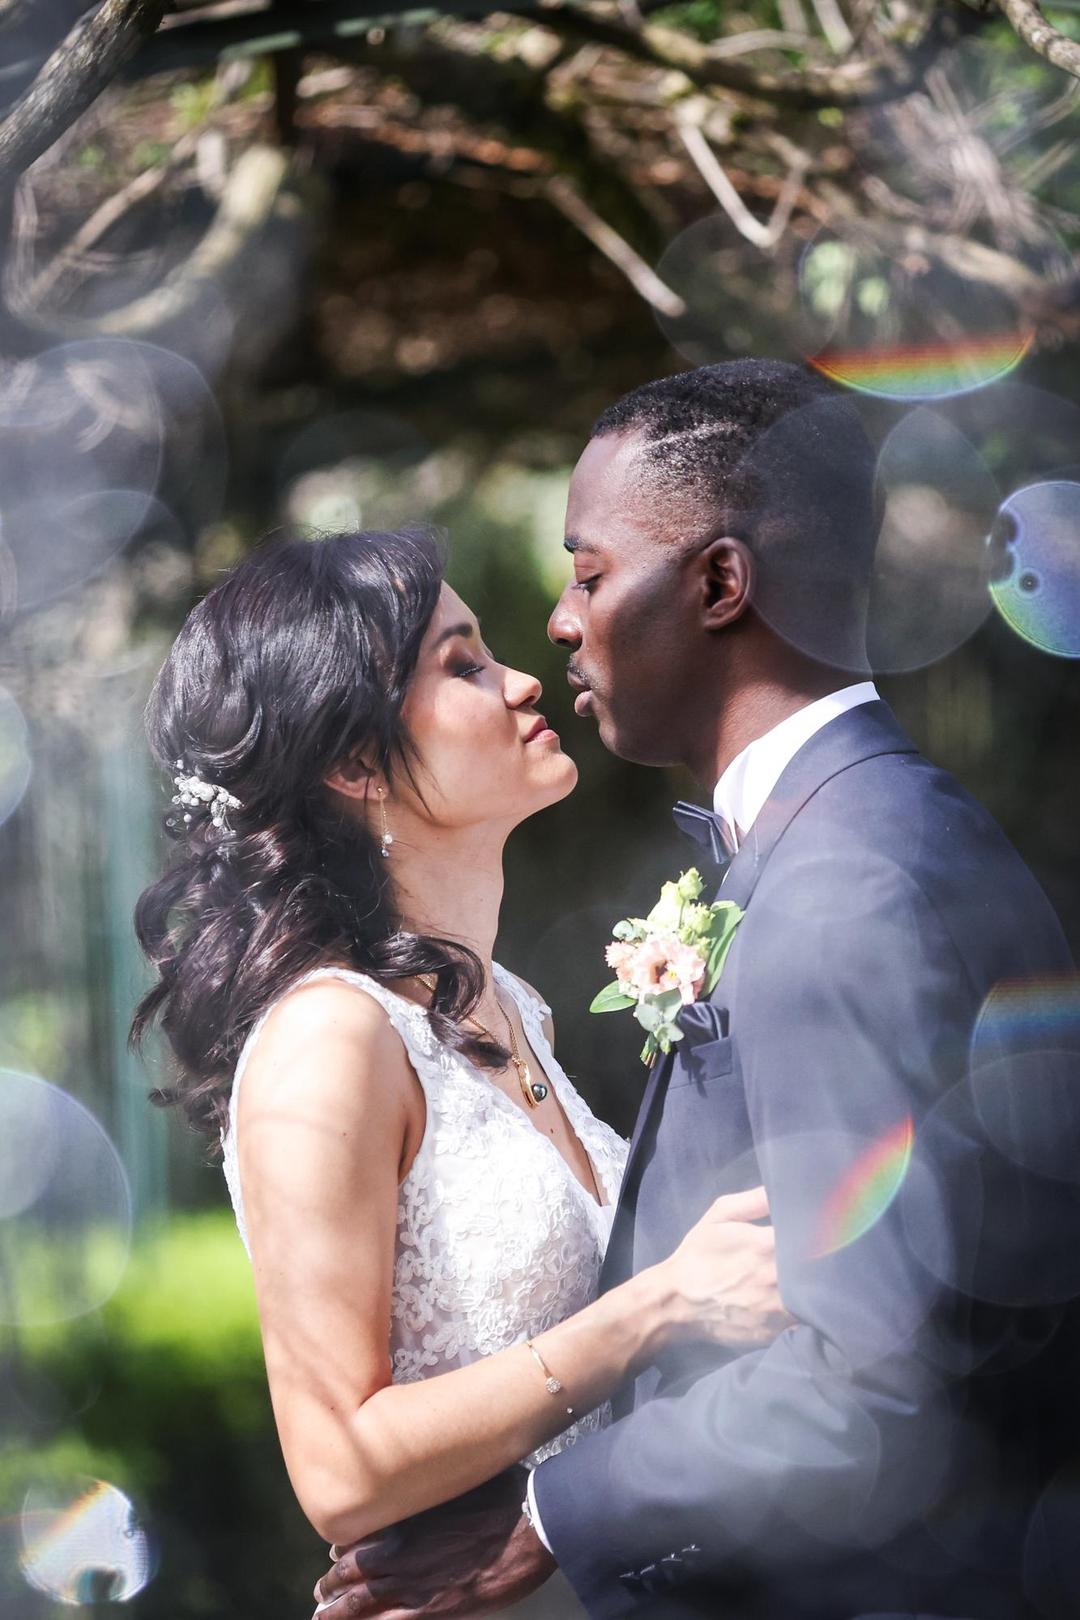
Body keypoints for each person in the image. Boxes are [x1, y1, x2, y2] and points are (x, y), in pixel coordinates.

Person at [316, 359, 1080, 1620]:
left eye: (593, 571)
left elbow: (872, 1377)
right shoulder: (871, 830)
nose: (558, 621)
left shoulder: (853, 892)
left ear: (721, 583)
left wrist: (559, 1515)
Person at [129, 528, 790, 1600]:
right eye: (464, 664)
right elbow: (340, 1468)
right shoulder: (330, 1041)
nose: (526, 680)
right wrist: (658, 1307)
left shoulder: (507, 1004)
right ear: (353, 762)